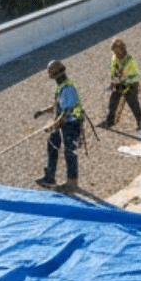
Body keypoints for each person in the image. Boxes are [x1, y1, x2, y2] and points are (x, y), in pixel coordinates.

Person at [32, 59, 84, 193]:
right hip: (62, 122)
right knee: (52, 144)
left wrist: (55, 123)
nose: (55, 78)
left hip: (72, 123)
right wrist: (43, 112)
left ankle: (72, 182)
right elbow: (57, 105)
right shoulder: (60, 86)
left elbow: (67, 111)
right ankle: (50, 177)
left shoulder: (68, 87)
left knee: (70, 151)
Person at [99, 38, 141, 130]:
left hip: (130, 85)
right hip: (119, 85)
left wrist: (125, 79)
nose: (117, 55)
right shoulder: (114, 59)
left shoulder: (130, 60)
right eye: (115, 52)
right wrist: (114, 77)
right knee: (113, 103)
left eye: (118, 52)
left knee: (133, 104)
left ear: (123, 50)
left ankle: (140, 122)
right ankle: (110, 122)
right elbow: (112, 71)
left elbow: (136, 76)